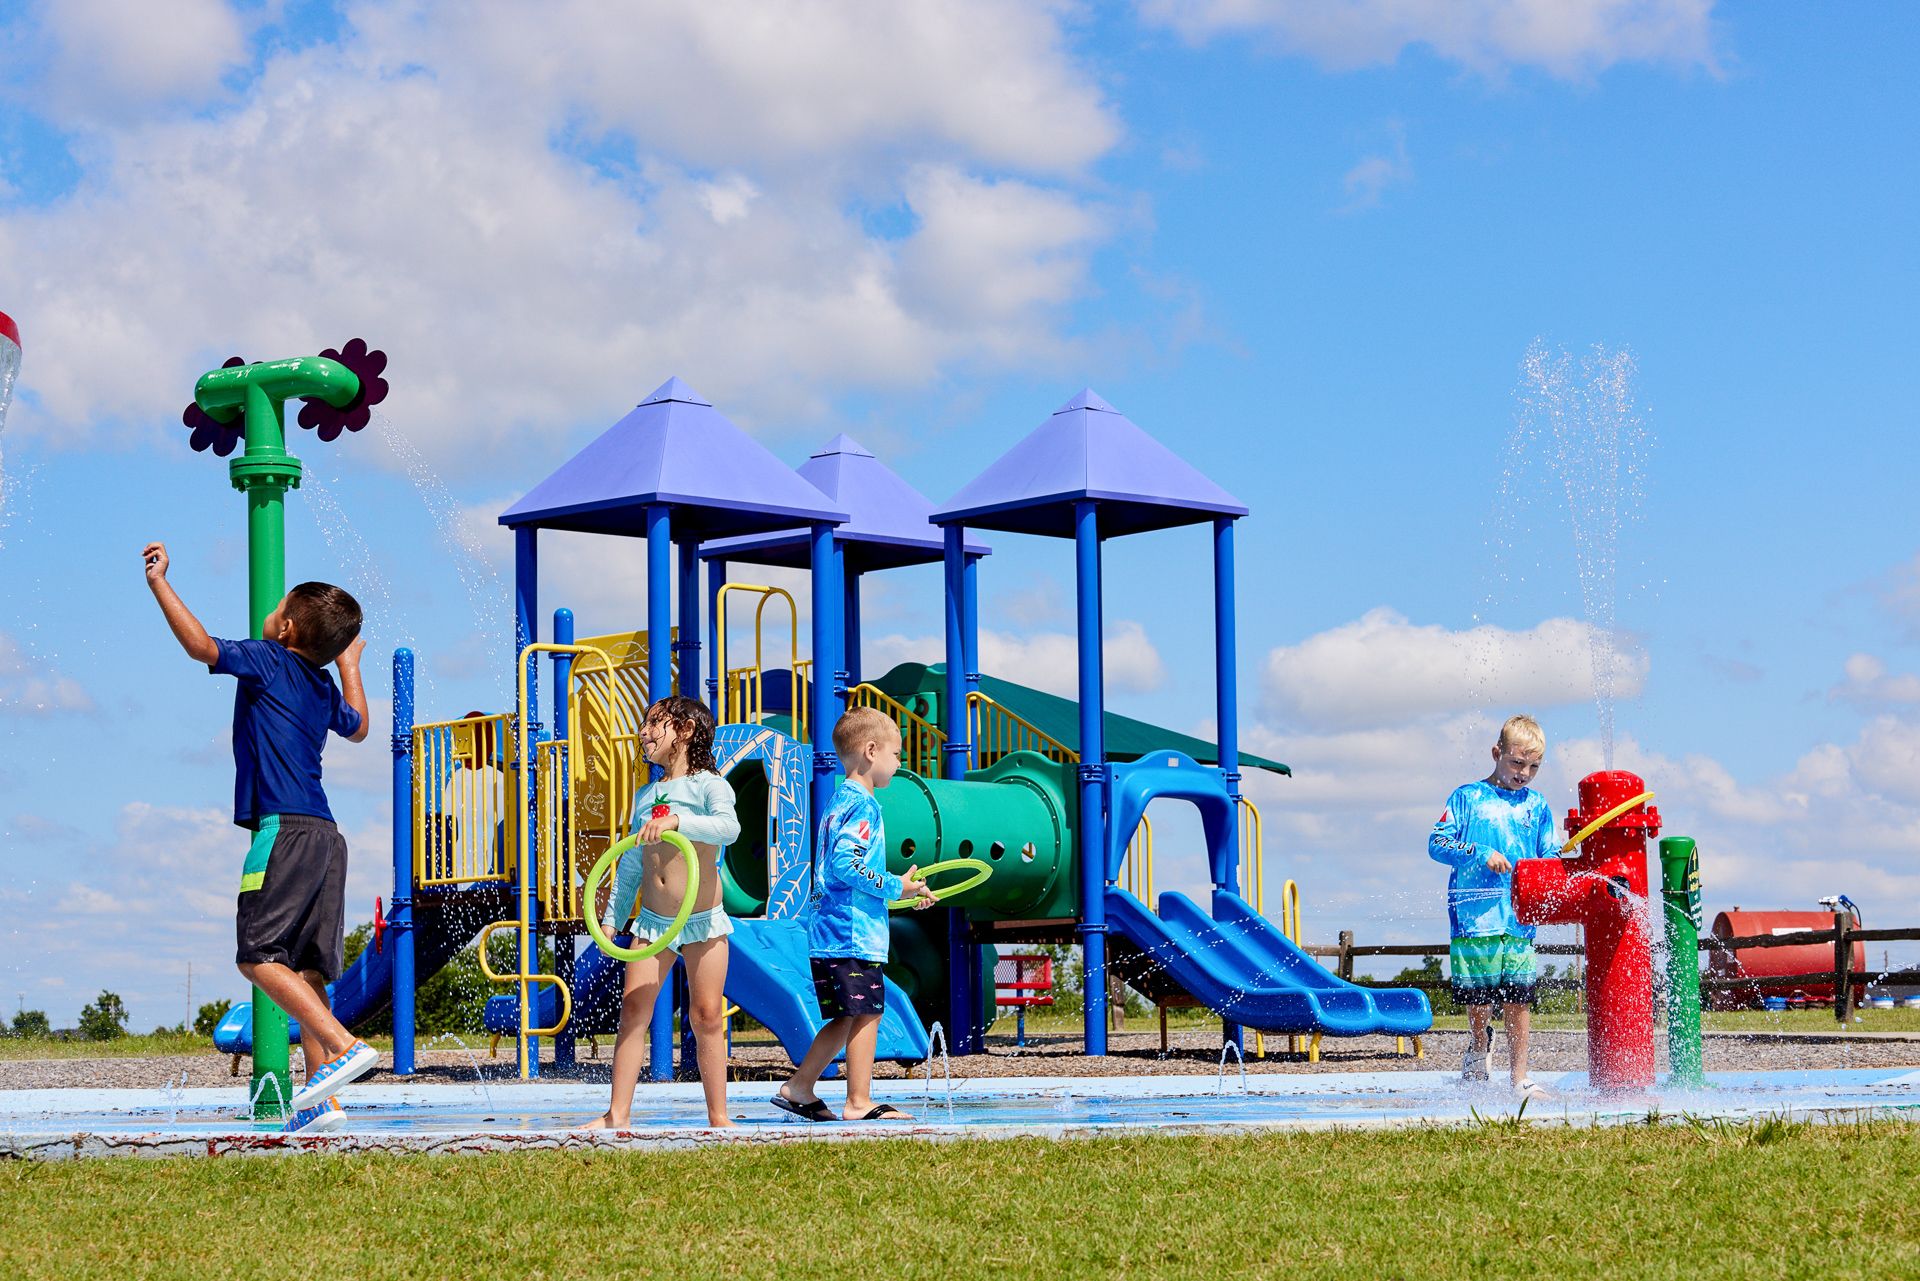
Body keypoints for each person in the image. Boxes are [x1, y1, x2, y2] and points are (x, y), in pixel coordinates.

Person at [142, 542, 379, 1133]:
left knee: (256, 957)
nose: (269, 614)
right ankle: (324, 1101)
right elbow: (359, 728)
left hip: (283, 831)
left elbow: (201, 647)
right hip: (326, 836)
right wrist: (350, 665)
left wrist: (159, 583)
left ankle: (345, 1047)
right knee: (304, 972)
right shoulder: (322, 686)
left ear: (288, 628)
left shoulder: (267, 659)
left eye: (276, 608)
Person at [578, 695, 741, 1130]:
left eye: (655, 724)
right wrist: (612, 915)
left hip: (702, 918)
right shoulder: (646, 794)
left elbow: (729, 828)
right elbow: (632, 860)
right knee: (634, 1011)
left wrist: (677, 823)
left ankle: (718, 1117)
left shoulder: (710, 785)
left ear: (685, 731)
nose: (644, 732)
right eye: (644, 724)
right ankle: (617, 1114)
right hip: (652, 921)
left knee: (706, 1015)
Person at [772, 707, 934, 1123]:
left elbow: (845, 869)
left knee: (848, 1015)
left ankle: (799, 1087)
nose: (899, 763)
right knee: (867, 1013)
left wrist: (903, 891)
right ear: (871, 750)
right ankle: (858, 1102)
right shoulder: (863, 806)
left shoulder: (838, 801)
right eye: (896, 755)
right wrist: (894, 885)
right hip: (849, 934)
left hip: (833, 930)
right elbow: (847, 865)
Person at [1429, 714, 1560, 1102]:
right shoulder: (1467, 798)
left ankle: (1519, 1078)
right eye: (1517, 762)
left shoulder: (1537, 806)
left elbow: (1549, 854)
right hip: (1474, 919)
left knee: (1519, 998)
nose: (1525, 773)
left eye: (1534, 766)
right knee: (1480, 999)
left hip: (1519, 920)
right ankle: (1477, 1046)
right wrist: (1480, 853)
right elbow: (1437, 843)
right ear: (1496, 753)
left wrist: (1552, 872)